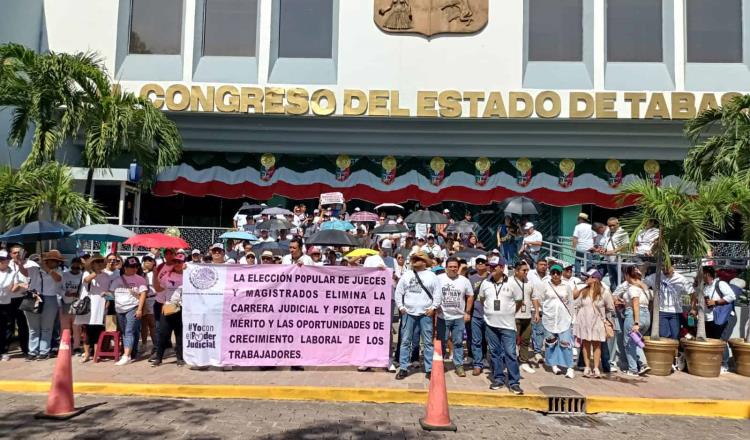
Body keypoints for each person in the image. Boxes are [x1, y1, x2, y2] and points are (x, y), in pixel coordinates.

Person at [478, 257, 524, 394]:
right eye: (490, 266)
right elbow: (482, 300)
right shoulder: (485, 283)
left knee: (510, 353)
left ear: (502, 267)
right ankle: (498, 378)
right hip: (491, 325)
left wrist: (508, 313)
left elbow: (519, 301)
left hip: (508, 326)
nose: (491, 269)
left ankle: (514, 382)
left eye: (494, 266)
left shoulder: (513, 283)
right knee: (494, 353)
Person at [394, 251, 442, 380]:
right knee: (405, 341)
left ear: (424, 262)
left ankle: (429, 369)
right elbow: (399, 292)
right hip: (409, 313)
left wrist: (433, 308)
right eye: (413, 259)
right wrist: (401, 307)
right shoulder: (406, 275)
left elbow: (438, 294)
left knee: (427, 342)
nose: (415, 261)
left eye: (418, 259)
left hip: (425, 314)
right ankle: (403, 367)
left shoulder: (432, 276)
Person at [18, 250, 63, 361]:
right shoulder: (34, 269)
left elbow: (58, 279)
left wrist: (47, 268)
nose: (56, 263)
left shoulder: (59, 271)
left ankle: (44, 351)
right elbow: (24, 272)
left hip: (50, 298)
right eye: (54, 261)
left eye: (58, 261)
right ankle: (32, 351)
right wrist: (20, 262)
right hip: (34, 297)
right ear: (48, 260)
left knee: (47, 327)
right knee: (33, 328)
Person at [534, 264, 575, 378]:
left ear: (561, 274)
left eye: (558, 273)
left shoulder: (566, 286)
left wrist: (572, 317)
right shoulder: (545, 285)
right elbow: (538, 299)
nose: (556, 275)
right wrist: (540, 312)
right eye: (553, 273)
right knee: (550, 343)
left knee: (565, 342)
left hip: (564, 319)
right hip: (549, 318)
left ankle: (569, 367)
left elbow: (571, 302)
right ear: (550, 274)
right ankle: (553, 365)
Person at [436, 257, 473, 377]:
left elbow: (470, 296)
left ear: (458, 268)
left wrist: (467, 312)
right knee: (442, 342)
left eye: (455, 267)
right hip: (443, 317)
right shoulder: (438, 279)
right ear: (446, 267)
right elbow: (432, 293)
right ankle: (439, 364)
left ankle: (458, 365)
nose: (453, 269)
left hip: (459, 317)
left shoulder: (464, 280)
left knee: (458, 342)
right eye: (450, 266)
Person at [573, 270, 613, 378]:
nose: (586, 279)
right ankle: (587, 367)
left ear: (595, 279)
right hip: (584, 321)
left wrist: (607, 321)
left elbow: (610, 307)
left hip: (598, 321)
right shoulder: (583, 291)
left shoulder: (604, 292)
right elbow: (575, 302)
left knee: (597, 344)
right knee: (585, 344)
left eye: (589, 277)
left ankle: (595, 367)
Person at [699, 266, 737, 374]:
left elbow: (731, 296)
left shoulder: (720, 284)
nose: (701, 276)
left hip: (725, 318)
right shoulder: (706, 287)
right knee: (713, 340)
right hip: (711, 319)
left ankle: (724, 364)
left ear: (707, 274)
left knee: (721, 341)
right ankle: (715, 362)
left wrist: (715, 302)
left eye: (702, 274)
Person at [111, 257, 148, 365]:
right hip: (119, 308)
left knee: (129, 331)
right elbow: (111, 292)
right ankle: (132, 352)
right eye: (132, 267)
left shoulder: (140, 279)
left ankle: (126, 355)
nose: (134, 269)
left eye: (136, 267)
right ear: (125, 267)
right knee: (128, 331)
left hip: (133, 307)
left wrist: (140, 309)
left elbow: (143, 295)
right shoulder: (117, 280)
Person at [151, 253, 186, 367]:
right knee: (163, 333)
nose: (177, 264)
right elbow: (158, 288)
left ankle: (180, 358)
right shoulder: (167, 275)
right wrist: (155, 275)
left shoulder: (189, 275)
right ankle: (159, 358)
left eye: (179, 262)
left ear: (184, 263)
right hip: (168, 307)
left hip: (183, 308)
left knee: (179, 334)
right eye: (175, 261)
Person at [75, 255, 111, 363]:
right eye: (96, 262)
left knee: (98, 329)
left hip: (101, 303)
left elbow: (108, 290)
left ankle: (96, 353)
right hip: (89, 304)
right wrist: (96, 272)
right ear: (92, 264)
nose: (99, 264)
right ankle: (86, 353)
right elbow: (86, 280)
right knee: (87, 330)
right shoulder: (87, 274)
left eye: (101, 262)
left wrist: (108, 300)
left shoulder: (106, 276)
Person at [644, 263, 692, 340]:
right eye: (663, 266)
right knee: (663, 335)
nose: (665, 269)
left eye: (667, 267)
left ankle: (675, 351)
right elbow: (643, 283)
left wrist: (693, 307)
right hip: (661, 311)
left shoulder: (681, 278)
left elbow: (691, 292)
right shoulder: (656, 276)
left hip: (676, 312)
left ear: (673, 266)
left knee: (675, 336)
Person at [621, 266, 652, 376]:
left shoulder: (633, 288)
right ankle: (643, 364)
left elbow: (635, 305)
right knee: (635, 341)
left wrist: (636, 322)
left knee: (628, 343)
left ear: (628, 275)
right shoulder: (644, 288)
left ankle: (633, 369)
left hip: (633, 316)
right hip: (647, 316)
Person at [509, 260, 536, 374]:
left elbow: (534, 297)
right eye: (524, 270)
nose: (526, 272)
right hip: (514, 315)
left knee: (525, 339)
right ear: (516, 271)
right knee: (512, 340)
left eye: (527, 270)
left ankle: (523, 361)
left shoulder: (529, 282)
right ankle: (511, 361)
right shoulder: (509, 282)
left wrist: (537, 312)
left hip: (527, 315)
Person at [6, 245, 29, 357]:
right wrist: (19, 285)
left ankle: (25, 348)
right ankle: (6, 350)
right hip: (9, 299)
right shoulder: (6, 265)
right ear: (10, 254)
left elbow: (28, 281)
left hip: (22, 298)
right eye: (15, 253)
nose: (17, 255)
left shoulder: (27, 264)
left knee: (23, 325)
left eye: (19, 253)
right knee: (9, 325)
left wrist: (21, 286)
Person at [468, 256, 489, 375]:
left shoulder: (491, 277)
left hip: (489, 314)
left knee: (488, 339)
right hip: (475, 313)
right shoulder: (471, 278)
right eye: (478, 263)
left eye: (483, 263)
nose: (480, 265)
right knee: (476, 340)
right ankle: (477, 364)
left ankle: (485, 357)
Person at [60, 257, 84, 354]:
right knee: (65, 326)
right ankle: (65, 344)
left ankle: (76, 347)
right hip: (66, 302)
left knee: (77, 327)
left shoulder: (83, 276)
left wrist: (80, 295)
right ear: (71, 265)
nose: (75, 269)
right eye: (73, 267)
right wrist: (65, 293)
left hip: (78, 303)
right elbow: (58, 288)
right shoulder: (64, 275)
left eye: (77, 268)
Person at [526, 258, 548, 367]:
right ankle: (533, 352)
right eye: (541, 264)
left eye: (545, 264)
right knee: (531, 331)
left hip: (545, 308)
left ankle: (538, 351)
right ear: (536, 265)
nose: (543, 266)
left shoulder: (550, 277)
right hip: (530, 307)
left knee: (540, 331)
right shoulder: (530, 274)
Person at [601, 217, 629, 288]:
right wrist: (603, 249)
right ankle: (613, 293)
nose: (612, 227)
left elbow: (626, 245)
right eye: (610, 226)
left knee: (620, 278)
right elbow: (606, 242)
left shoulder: (622, 232)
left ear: (618, 224)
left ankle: (619, 295)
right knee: (611, 278)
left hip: (618, 260)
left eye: (613, 225)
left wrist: (613, 251)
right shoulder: (608, 232)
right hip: (609, 259)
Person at [0, 250, 16, 361]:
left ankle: (4, 351)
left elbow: (14, 287)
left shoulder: (12, 272)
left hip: (6, 303)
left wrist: (20, 286)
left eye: (3, 259)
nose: (1, 261)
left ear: (7, 260)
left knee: (6, 328)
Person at [140, 256, 158, 353]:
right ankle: (144, 344)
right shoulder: (141, 273)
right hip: (142, 300)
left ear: (153, 263)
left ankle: (155, 344)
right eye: (145, 261)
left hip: (152, 299)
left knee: (152, 323)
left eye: (149, 261)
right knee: (143, 324)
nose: (147, 263)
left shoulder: (156, 273)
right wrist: (143, 274)